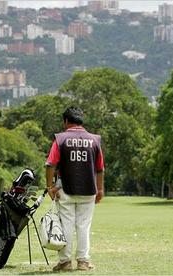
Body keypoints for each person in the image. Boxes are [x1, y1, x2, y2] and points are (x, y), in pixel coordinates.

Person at [45, 106, 104, 271]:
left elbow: (50, 164)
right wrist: (100, 190)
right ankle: (83, 261)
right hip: (89, 190)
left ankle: (65, 262)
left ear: (66, 121)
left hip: (66, 190)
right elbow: (100, 168)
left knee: (66, 226)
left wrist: (50, 186)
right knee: (84, 226)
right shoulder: (95, 140)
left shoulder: (60, 139)